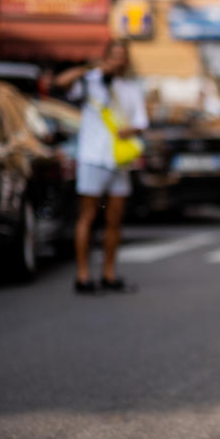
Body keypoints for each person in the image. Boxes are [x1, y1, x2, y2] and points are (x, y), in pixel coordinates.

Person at [54, 39, 148, 294]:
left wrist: (132, 129)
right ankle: (83, 276)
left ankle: (109, 273)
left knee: (114, 219)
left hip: (118, 160)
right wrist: (89, 68)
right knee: (87, 216)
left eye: (122, 56)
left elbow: (141, 121)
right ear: (105, 57)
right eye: (113, 55)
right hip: (92, 158)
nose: (118, 60)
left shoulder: (130, 88)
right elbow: (60, 83)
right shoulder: (89, 82)